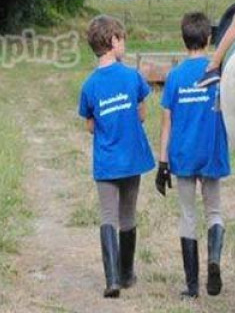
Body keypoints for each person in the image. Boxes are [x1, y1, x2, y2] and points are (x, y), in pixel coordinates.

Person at [78, 15, 156, 298]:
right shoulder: (132, 76)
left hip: (106, 161)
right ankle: (126, 274)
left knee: (108, 215)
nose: (124, 44)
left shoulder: (90, 85)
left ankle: (111, 280)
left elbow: (89, 125)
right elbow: (143, 113)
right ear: (113, 41)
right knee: (128, 214)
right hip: (132, 158)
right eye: (122, 39)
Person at [155, 12, 231, 298]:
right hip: (212, 151)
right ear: (209, 38)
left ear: (183, 39)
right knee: (214, 212)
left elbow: (167, 123)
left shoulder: (174, 77)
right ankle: (214, 260)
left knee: (187, 216)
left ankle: (191, 286)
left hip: (183, 155)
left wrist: (163, 162)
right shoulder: (217, 73)